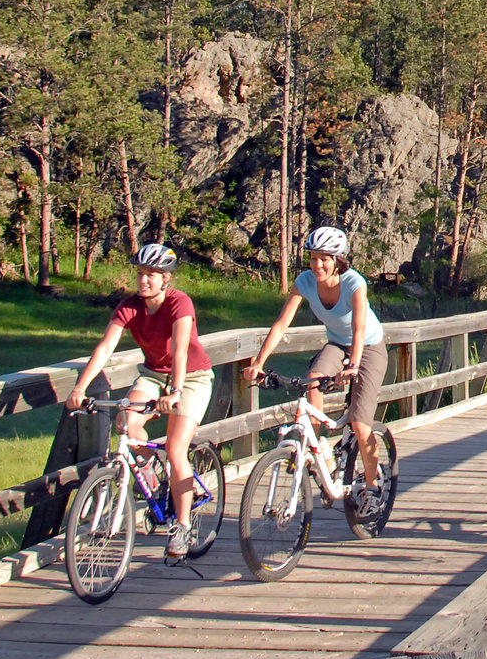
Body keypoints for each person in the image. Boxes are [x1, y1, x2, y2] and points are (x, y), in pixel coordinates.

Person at [66, 242, 211, 560]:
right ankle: (153, 476)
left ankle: (182, 526)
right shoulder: (129, 306)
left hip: (192, 378)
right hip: (153, 374)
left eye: (152, 275)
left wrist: (175, 392)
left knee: (175, 450)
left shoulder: (179, 303)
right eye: (141, 273)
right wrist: (79, 389)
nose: (144, 280)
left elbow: (182, 349)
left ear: (166, 279)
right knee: (127, 424)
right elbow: (105, 348)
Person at [245, 226, 389, 516]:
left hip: (369, 349)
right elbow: (282, 323)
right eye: (313, 258)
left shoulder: (353, 283)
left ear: (338, 259)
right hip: (336, 344)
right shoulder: (305, 282)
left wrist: (353, 364)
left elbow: (360, 329)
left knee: (361, 426)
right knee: (312, 379)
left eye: (325, 258)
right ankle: (321, 447)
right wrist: (259, 363)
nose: (317, 265)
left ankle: (373, 488)